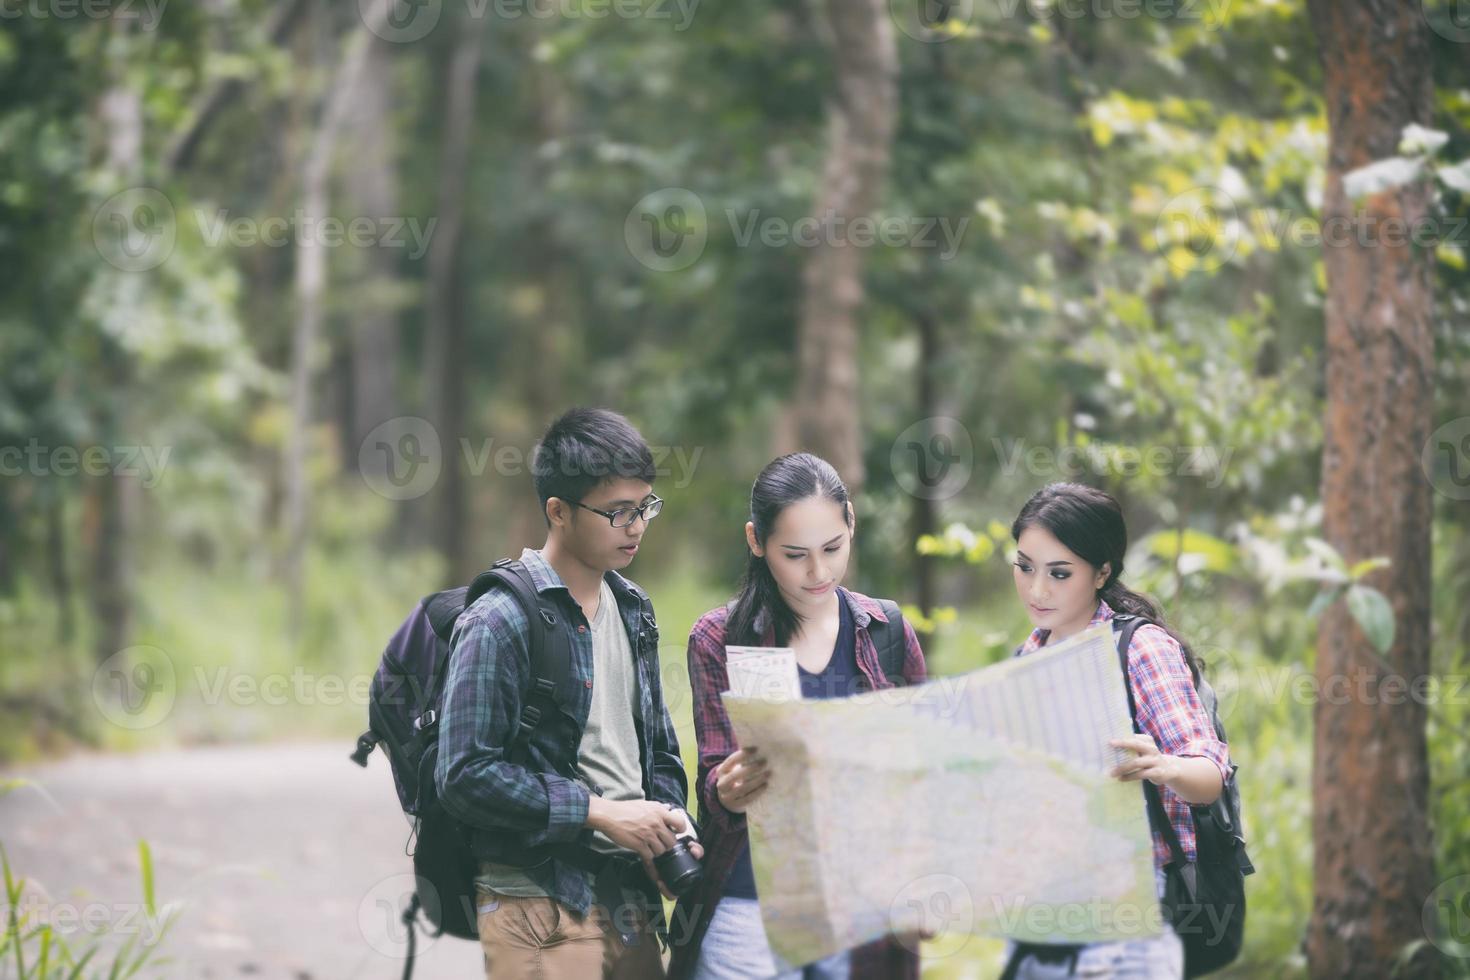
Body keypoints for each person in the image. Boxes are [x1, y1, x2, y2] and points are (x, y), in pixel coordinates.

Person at [435, 407, 701, 979]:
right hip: (538, 901)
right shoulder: (500, 619)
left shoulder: (634, 608)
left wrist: (667, 821)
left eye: (645, 507)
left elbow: (655, 746)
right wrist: (599, 812)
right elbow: (463, 773)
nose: (636, 526)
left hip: (629, 897)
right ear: (558, 511)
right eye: (618, 511)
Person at [668, 452, 927, 980]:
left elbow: (924, 775)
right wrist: (727, 789)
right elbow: (714, 778)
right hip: (749, 912)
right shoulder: (720, 638)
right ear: (755, 541)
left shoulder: (887, 631)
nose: (818, 572)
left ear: (851, 521)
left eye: (833, 548)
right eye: (795, 554)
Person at [1001, 482, 1230, 979]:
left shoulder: (1140, 648)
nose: (1037, 589)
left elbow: (1210, 775)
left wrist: (1164, 766)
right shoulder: (1029, 655)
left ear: (1102, 571)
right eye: (1024, 566)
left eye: (1059, 573)